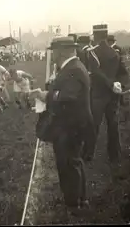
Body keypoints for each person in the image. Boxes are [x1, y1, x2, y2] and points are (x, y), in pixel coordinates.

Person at [30, 36, 93, 212]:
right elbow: (64, 92)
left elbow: (68, 97)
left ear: (63, 51)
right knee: (71, 162)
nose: (54, 55)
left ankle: (75, 203)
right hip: (70, 124)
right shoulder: (71, 67)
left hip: (71, 125)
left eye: (55, 51)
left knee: (69, 163)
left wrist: (46, 96)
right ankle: (77, 198)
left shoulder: (73, 69)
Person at [82, 24, 130, 165]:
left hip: (98, 95)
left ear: (95, 36)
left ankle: (88, 153)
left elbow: (96, 72)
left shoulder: (92, 52)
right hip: (113, 95)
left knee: (94, 125)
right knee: (113, 125)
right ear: (106, 34)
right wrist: (118, 84)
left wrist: (110, 84)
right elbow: (124, 73)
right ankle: (115, 155)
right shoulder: (115, 52)